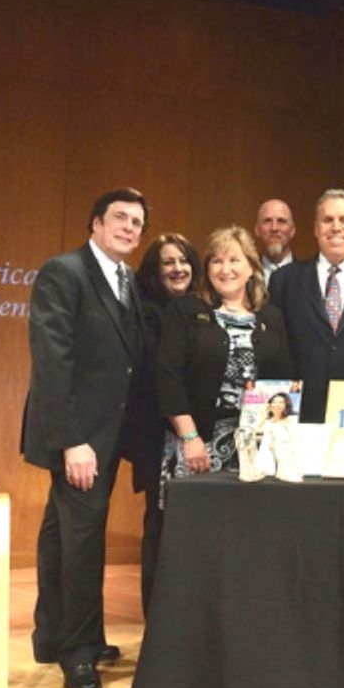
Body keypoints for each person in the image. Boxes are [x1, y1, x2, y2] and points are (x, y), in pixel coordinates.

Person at [22, 187, 150, 688]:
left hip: (106, 434)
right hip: (79, 438)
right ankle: (79, 653)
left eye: (137, 223)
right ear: (95, 223)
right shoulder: (65, 271)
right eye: (120, 217)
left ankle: (52, 635)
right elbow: (52, 360)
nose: (129, 228)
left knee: (62, 533)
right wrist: (73, 442)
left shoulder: (129, 281)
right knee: (82, 540)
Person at [157, 225, 293, 482]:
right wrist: (190, 437)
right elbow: (168, 377)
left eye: (234, 260)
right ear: (207, 269)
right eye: (217, 261)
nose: (225, 269)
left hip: (256, 447)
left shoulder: (271, 316)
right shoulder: (184, 310)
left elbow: (283, 381)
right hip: (199, 443)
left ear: (251, 267)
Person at [268, 189, 344, 422]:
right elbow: (275, 351)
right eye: (327, 220)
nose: (336, 227)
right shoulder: (285, 280)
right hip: (300, 414)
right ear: (316, 229)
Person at [134, 232, 201, 616]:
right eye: (168, 263)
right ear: (155, 272)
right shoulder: (145, 312)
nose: (177, 269)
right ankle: (155, 621)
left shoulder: (203, 308)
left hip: (200, 435)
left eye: (183, 260)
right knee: (160, 529)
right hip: (159, 437)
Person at [255, 199, 296, 283]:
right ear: (257, 230)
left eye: (281, 221)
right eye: (267, 221)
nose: (274, 228)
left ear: (292, 231)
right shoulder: (246, 276)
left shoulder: (310, 277)